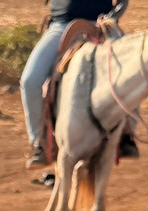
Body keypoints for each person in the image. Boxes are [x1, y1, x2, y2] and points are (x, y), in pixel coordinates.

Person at [20, 0, 139, 167]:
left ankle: (127, 135)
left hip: (101, 23)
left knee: (132, 72)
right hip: (61, 26)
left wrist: (111, 18)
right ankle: (39, 143)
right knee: (30, 81)